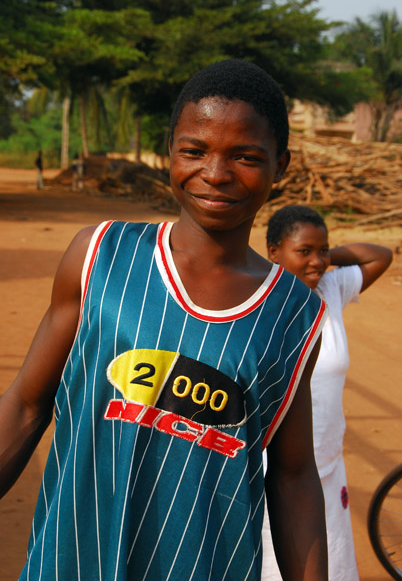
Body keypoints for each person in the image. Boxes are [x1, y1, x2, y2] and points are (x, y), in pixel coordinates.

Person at [0, 60, 329, 580]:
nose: (216, 173)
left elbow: (293, 476)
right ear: (169, 150)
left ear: (281, 165)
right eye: (194, 151)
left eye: (245, 156)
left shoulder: (294, 312)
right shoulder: (99, 256)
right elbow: (24, 406)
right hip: (71, 562)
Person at [262, 204, 393, 581]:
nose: (317, 261)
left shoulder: (330, 290)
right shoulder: (258, 298)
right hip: (272, 471)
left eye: (323, 251)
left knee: (330, 564)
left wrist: (319, 256)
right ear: (274, 251)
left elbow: (380, 256)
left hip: (327, 466)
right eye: (304, 251)